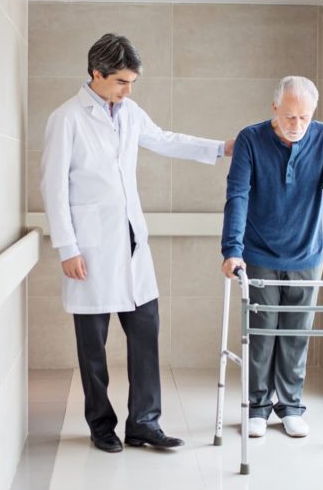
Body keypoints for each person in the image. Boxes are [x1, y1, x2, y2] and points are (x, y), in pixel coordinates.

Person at [42, 33, 234, 453]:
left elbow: (164, 138)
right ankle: (100, 425)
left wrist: (220, 149)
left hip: (130, 243)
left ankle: (145, 422)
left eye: (133, 82)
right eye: (122, 82)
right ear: (97, 74)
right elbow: (52, 186)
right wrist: (67, 248)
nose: (129, 90)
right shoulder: (67, 118)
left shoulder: (127, 111)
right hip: (88, 249)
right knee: (93, 349)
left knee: (145, 336)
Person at [220, 76, 323, 439]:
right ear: (274, 109)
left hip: (307, 251)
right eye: (289, 117)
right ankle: (257, 407)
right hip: (259, 251)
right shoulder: (251, 139)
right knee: (261, 333)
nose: (296, 125)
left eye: (304, 118)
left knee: (296, 333)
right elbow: (238, 196)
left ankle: (291, 407)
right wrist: (232, 251)